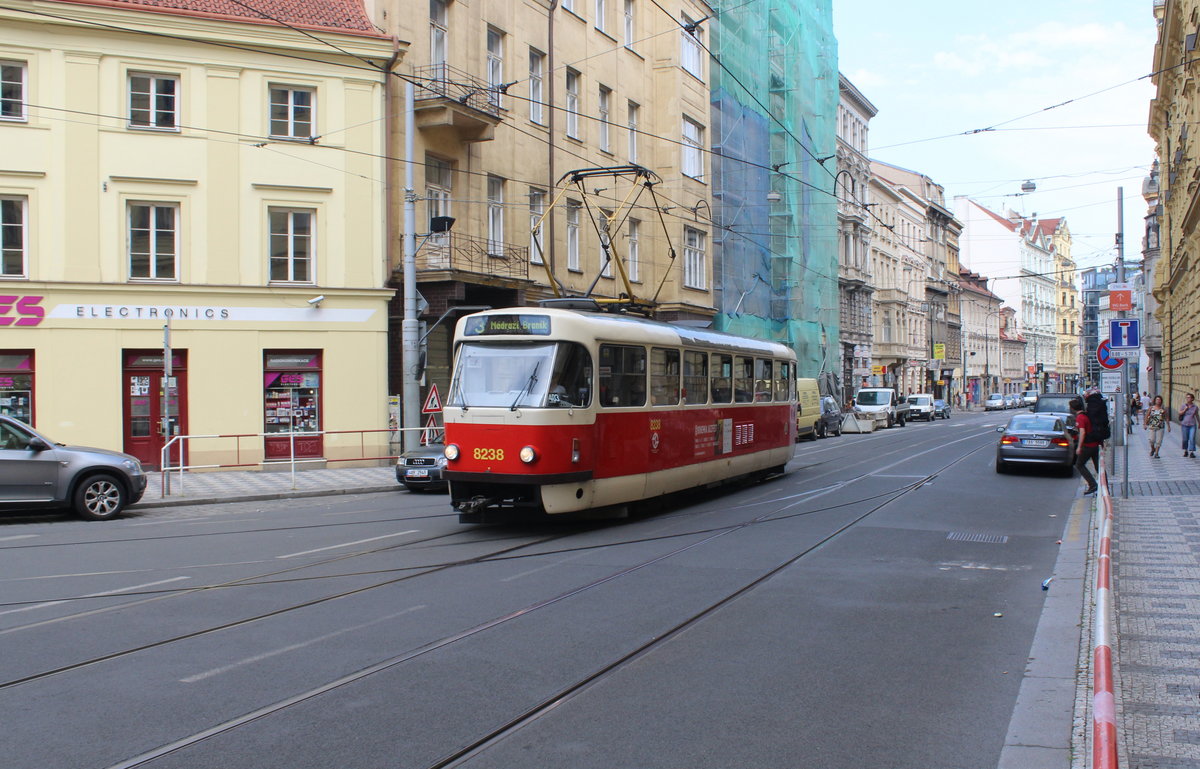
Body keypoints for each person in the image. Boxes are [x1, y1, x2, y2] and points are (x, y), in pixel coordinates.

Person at [1071, 397, 1099, 495]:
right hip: (1095, 444)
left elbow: (1082, 432)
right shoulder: (1086, 415)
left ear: (1072, 409)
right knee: (1098, 467)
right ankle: (1105, 487)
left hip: (1088, 445)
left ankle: (1092, 484)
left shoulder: (1080, 418)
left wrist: (1079, 447)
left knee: (1079, 465)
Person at [1180, 392, 1199, 458]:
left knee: (1192, 438)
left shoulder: (1195, 407)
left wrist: (1199, 423)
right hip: (1184, 424)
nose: (1188, 398)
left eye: (1189, 397)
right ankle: (1186, 451)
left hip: (1192, 424)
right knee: (1185, 439)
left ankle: (1192, 452)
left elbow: (1196, 415)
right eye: (1187, 397)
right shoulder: (1183, 405)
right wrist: (1185, 409)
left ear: (1192, 399)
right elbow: (1180, 413)